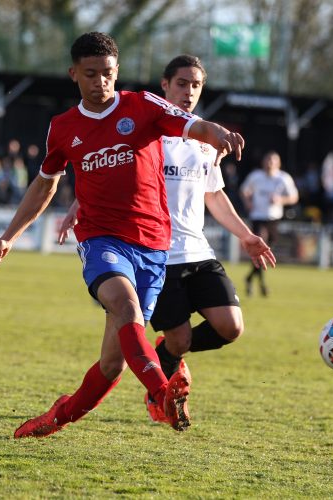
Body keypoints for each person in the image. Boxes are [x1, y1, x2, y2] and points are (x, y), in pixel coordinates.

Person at [0, 32, 245, 438]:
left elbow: (191, 124)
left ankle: (59, 415)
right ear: (74, 74)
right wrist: (9, 236)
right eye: (90, 74)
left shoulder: (142, 106)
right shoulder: (63, 128)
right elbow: (45, 184)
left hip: (154, 246)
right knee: (126, 308)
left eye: (107, 73)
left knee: (112, 365)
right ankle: (162, 393)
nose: (100, 82)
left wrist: (215, 132)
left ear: (116, 71)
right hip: (102, 240)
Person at [58, 55, 276, 424]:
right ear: (165, 85)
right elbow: (112, 174)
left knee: (231, 327)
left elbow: (214, 195)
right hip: (154, 254)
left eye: (196, 85)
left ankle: (163, 354)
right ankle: (165, 369)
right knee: (179, 341)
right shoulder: (148, 128)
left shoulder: (204, 140)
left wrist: (245, 234)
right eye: (181, 83)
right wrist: (79, 205)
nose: (188, 92)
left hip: (198, 250)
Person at [239, 151, 299, 297]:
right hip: (258, 217)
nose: (270, 163)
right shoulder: (256, 176)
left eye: (273, 161)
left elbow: (294, 197)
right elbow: (243, 190)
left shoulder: (283, 178)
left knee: (266, 252)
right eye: (268, 160)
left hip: (273, 218)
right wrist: (247, 202)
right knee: (260, 248)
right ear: (263, 162)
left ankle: (250, 278)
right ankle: (262, 284)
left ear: (278, 163)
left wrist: (280, 199)